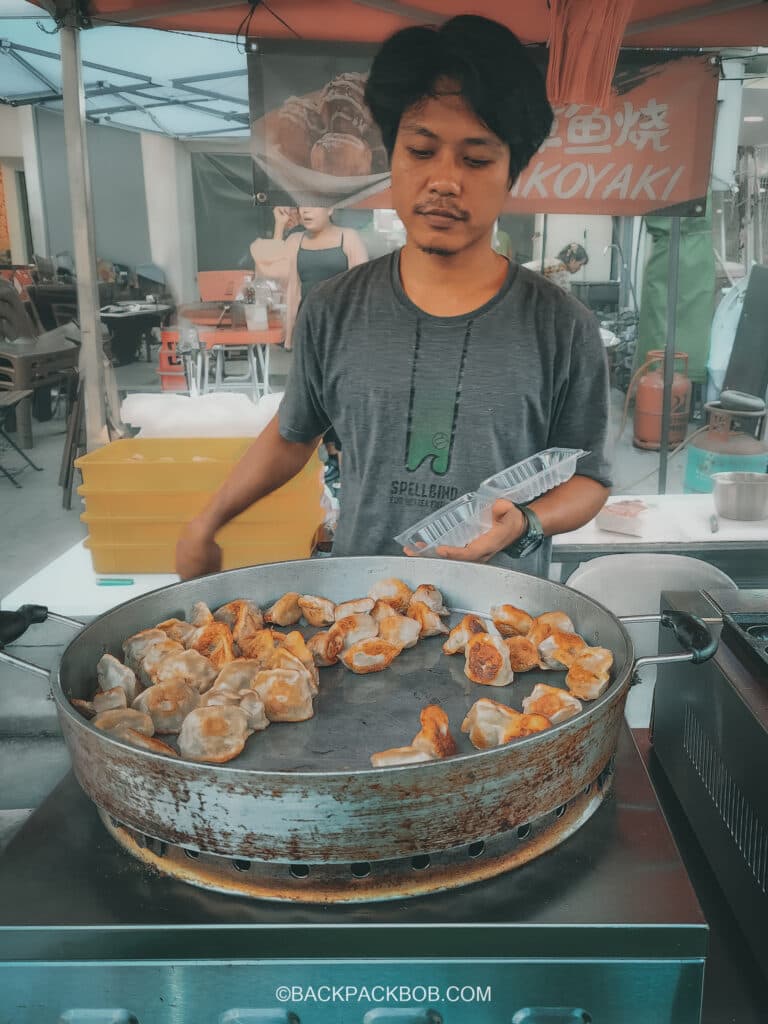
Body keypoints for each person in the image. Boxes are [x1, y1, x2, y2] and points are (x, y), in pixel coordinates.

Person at [177, 14, 611, 582]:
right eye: (422, 150)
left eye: (476, 159)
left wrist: (525, 522)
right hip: (361, 610)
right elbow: (293, 435)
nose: (445, 180)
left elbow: (589, 479)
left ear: (512, 173)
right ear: (392, 157)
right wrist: (206, 522)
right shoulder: (332, 309)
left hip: (503, 625)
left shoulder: (561, 327)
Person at [250, 206, 367, 350]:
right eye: (302, 206)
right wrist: (280, 226)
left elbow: (363, 287)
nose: (305, 211)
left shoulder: (349, 237)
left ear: (330, 209)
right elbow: (272, 274)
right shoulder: (295, 240)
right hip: (305, 325)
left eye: (313, 205)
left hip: (341, 326)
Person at [523, 242, 589, 293]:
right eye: (580, 264)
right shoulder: (561, 269)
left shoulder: (555, 263)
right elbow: (565, 297)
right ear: (572, 260)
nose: (580, 268)